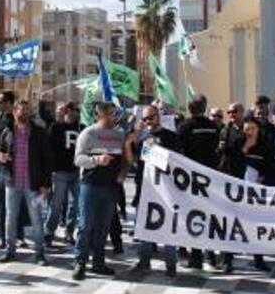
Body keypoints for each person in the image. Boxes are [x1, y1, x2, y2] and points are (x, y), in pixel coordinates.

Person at [72, 102, 127, 281]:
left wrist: (122, 173)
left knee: (103, 227)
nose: (115, 116)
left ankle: (98, 262)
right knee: (86, 225)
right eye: (112, 113)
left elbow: (125, 158)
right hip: (91, 185)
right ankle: (80, 262)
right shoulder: (88, 133)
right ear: (101, 115)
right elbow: (78, 159)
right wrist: (97, 160)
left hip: (111, 187)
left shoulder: (120, 135)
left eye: (116, 112)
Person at [128, 104, 181, 279]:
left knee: (168, 227)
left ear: (159, 116)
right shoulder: (143, 137)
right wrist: (129, 142)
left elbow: (175, 162)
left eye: (151, 117)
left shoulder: (171, 137)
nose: (148, 121)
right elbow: (133, 161)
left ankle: (171, 265)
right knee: (144, 226)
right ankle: (144, 262)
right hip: (146, 187)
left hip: (166, 189)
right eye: (144, 119)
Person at [0, 100, 53, 265]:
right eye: (21, 110)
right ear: (14, 112)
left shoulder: (39, 133)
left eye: (27, 110)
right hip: (12, 182)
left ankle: (40, 254)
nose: (25, 113)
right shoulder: (7, 132)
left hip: (33, 184)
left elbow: (47, 160)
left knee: (36, 219)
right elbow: (0, 154)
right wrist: (1, 158)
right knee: (11, 218)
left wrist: (46, 183)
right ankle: (10, 251)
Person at [218, 106, 270, 273]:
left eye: (253, 128)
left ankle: (258, 259)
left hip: (255, 192)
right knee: (230, 224)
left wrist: (264, 176)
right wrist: (245, 147)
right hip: (234, 188)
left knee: (255, 224)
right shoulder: (235, 137)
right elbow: (228, 156)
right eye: (248, 129)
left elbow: (270, 163)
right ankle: (227, 259)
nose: (250, 131)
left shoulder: (264, 144)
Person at [177, 94, 223, 269]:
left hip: (191, 179)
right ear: (204, 108)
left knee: (194, 216)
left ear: (190, 109)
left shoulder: (184, 126)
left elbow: (177, 150)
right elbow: (218, 149)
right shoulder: (213, 126)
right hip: (210, 178)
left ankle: (196, 258)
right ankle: (210, 256)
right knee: (209, 216)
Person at [44, 102, 82, 246]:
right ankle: (49, 232)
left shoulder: (81, 128)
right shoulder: (56, 127)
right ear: (65, 112)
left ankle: (69, 231)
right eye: (70, 110)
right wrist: (50, 170)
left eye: (75, 111)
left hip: (77, 171)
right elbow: (48, 150)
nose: (73, 113)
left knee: (77, 204)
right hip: (60, 171)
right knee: (56, 204)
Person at [0, 91, 16, 248]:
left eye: (1, 101)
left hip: (18, 168)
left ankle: (18, 234)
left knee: (18, 205)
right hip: (2, 167)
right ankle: (2, 236)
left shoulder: (18, 117)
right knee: (2, 204)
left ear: (10, 103)